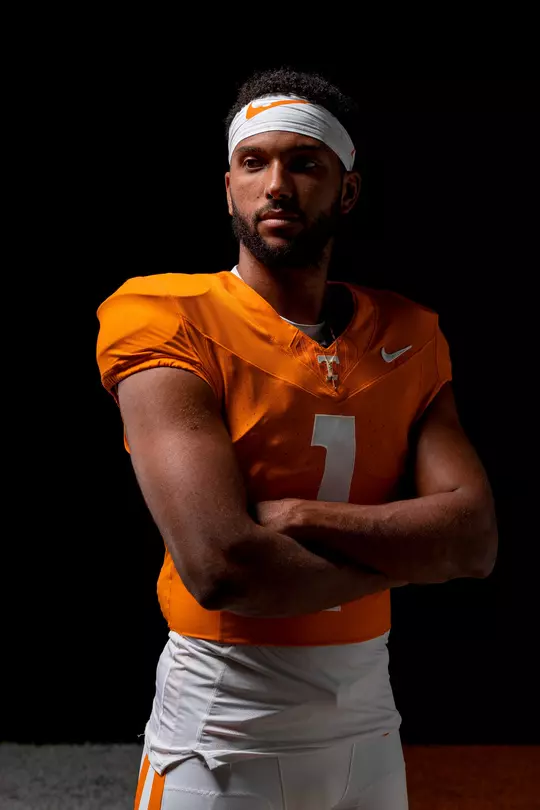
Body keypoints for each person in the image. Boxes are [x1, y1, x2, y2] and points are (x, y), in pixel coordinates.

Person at [96, 68, 498, 810]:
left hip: (370, 716)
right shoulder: (162, 315)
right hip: (224, 720)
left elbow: (473, 538)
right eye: (255, 162)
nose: (276, 185)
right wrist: (418, 558)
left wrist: (308, 518)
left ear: (346, 190)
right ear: (228, 187)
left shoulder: (409, 332)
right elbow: (225, 568)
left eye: (303, 163)